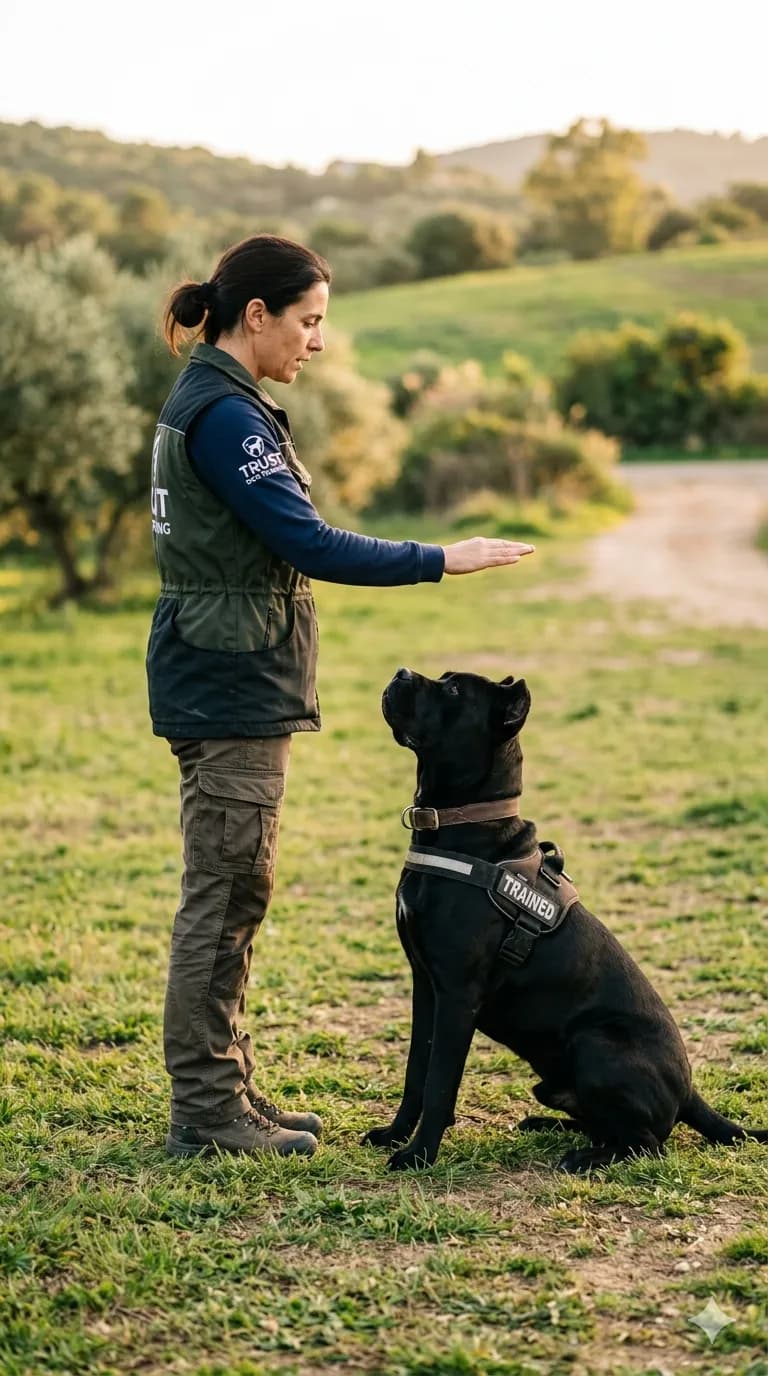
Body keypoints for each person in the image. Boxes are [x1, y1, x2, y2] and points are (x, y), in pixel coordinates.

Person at [147, 234, 535, 1160]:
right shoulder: (228, 418)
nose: (316, 341)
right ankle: (207, 1112)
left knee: (243, 884)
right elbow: (311, 543)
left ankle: (228, 1090)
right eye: (309, 320)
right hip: (228, 679)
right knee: (224, 891)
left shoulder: (223, 401)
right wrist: (443, 559)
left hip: (227, 669)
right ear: (257, 316)